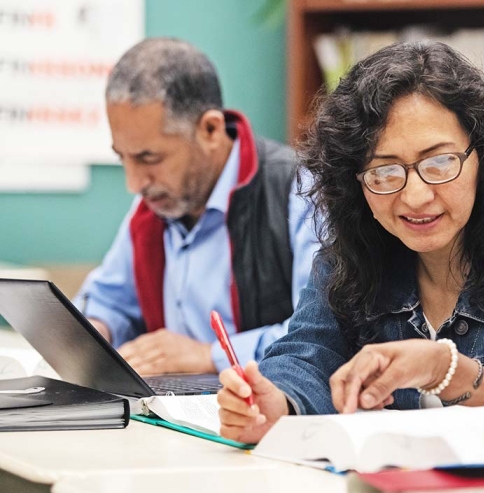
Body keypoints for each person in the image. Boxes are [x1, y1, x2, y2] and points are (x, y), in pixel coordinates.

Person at [215, 41, 484, 443]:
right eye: (384, 172)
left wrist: (446, 370)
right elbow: (307, 357)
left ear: (483, 158)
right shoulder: (350, 260)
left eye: (439, 162)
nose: (416, 197)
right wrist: (275, 404)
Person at [75, 38, 319, 376]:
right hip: (167, 412)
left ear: (210, 130)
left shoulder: (299, 192)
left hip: (263, 414)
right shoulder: (153, 204)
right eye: (123, 157)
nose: (134, 183)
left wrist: (210, 355)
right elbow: (109, 301)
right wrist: (95, 331)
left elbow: (318, 338)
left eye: (149, 157)